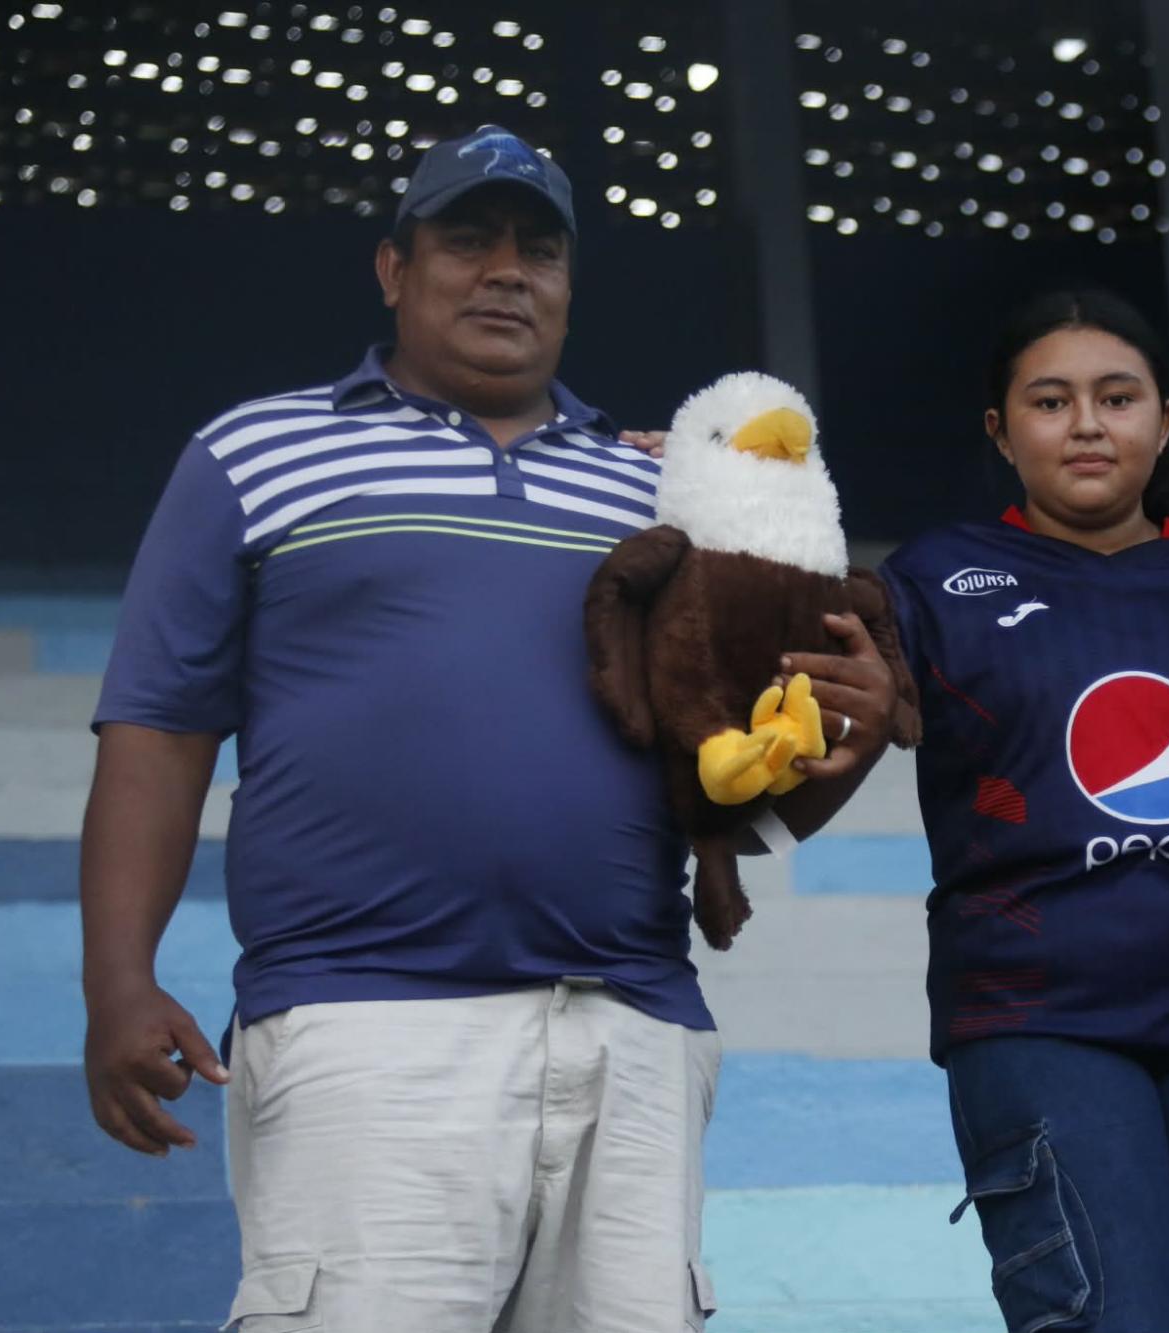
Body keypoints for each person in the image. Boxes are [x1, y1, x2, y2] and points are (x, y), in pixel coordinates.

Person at [79, 124, 896, 1333]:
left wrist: (856, 731)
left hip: (630, 1027)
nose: (506, 271)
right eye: (467, 239)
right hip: (363, 1024)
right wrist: (117, 981)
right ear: (393, 268)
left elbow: (734, 777)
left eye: (539, 250)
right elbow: (156, 727)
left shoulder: (662, 491)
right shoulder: (255, 453)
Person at [875, 290, 1169, 1332]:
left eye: (1115, 398)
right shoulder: (931, 581)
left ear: (1164, 420)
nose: (1085, 425)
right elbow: (839, 713)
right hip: (1037, 1013)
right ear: (1000, 430)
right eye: (1049, 400)